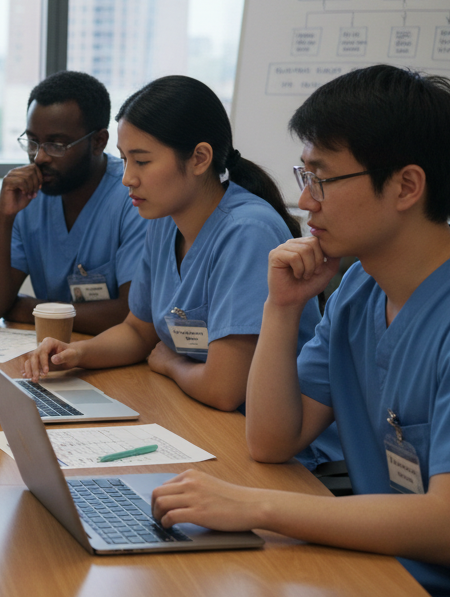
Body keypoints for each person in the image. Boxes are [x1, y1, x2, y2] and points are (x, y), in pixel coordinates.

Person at [148, 66, 450, 597]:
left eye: (323, 179)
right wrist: (281, 309)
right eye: (306, 175)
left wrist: (252, 505)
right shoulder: (360, 287)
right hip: (371, 569)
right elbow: (273, 440)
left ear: (406, 187)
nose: (304, 201)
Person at [21, 75, 340, 469]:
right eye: (125, 160)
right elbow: (139, 331)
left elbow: (223, 389)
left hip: (282, 454)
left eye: (142, 161)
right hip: (204, 421)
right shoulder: (164, 218)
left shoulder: (247, 232)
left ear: (200, 159)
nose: (127, 178)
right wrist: (75, 353)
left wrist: (171, 362)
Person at [0, 71, 144, 333]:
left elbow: (133, 315)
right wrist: (2, 216)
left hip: (120, 362)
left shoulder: (133, 197)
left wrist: (32, 309)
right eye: (32, 142)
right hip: (49, 355)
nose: (39, 158)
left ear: (98, 142)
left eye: (56, 145)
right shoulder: (29, 197)